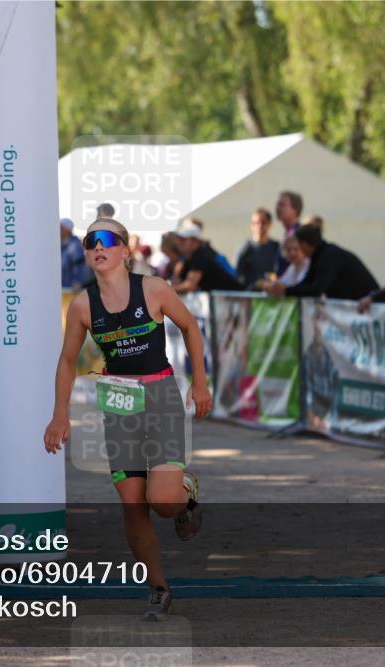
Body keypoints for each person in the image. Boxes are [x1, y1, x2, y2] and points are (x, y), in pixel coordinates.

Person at [43, 216, 210, 621]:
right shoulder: (83, 305)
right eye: (89, 241)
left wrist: (200, 383)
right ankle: (158, 589)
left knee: (163, 502)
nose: (97, 247)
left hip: (161, 394)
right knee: (132, 503)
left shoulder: (153, 289)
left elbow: (190, 327)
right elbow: (67, 361)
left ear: (124, 250)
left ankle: (185, 493)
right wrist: (58, 415)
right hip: (118, 402)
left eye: (106, 240)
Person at [265, 223, 378, 299]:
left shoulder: (329, 256)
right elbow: (308, 281)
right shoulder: (319, 256)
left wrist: (286, 291)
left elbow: (316, 289)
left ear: (304, 244)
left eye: (298, 246)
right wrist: (286, 290)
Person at [173, 223, 243, 293]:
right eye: (178, 239)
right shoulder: (187, 258)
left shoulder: (201, 255)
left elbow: (190, 286)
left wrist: (169, 291)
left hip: (234, 297)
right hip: (223, 299)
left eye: (183, 239)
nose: (179, 242)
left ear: (195, 241)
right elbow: (178, 282)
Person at [235, 208, 280, 288]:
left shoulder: (276, 247)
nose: (259, 226)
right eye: (255, 223)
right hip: (250, 294)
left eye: (263, 222)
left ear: (270, 224)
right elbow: (237, 274)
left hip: (271, 295)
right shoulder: (245, 248)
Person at [275, 190, 303, 274]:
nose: (277, 208)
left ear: (295, 209)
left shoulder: (299, 235)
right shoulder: (288, 233)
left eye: (282, 205)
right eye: (278, 204)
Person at [60, 218, 89, 289]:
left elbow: (79, 264)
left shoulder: (75, 245)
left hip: (70, 287)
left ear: (66, 230)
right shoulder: (60, 243)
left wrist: (78, 281)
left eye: (61, 227)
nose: (58, 229)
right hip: (62, 286)